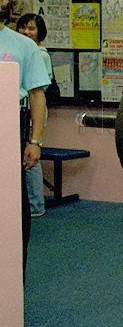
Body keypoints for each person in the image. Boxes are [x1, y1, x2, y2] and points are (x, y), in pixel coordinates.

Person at [0, 0, 49, 280]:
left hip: (10, 128)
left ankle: (13, 280)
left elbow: (37, 95)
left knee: (13, 210)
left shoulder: (23, 46)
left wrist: (35, 141)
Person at [16, 13, 53, 218]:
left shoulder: (40, 54)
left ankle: (36, 204)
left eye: (31, 28)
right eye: (23, 27)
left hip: (31, 111)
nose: (26, 32)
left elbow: (39, 90)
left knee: (30, 156)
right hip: (19, 110)